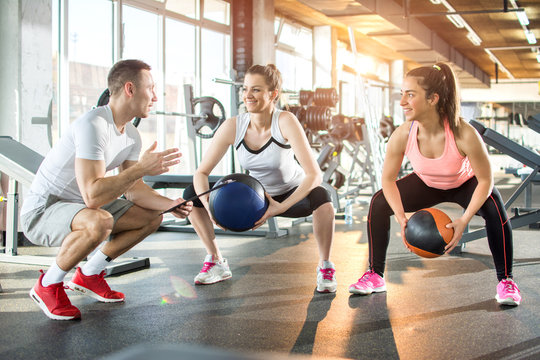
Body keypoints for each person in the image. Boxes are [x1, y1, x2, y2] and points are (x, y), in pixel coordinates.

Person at [21, 59, 193, 320]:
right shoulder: (93, 125)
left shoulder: (131, 135)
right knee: (99, 221)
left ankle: (89, 275)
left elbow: (134, 191)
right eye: (151, 88)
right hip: (44, 210)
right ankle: (47, 285)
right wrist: (141, 168)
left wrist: (169, 204)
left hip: (78, 207)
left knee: (151, 217)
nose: (156, 97)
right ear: (130, 89)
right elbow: (93, 196)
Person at [348, 62, 521, 306]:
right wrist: (401, 217)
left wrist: (464, 220)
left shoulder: (463, 133)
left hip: (464, 182)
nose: (402, 102)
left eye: (410, 95)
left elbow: (485, 179)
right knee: (378, 202)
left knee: (494, 207)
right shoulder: (403, 134)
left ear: (433, 99)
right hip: (426, 182)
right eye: (402, 94)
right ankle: (375, 275)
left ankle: (506, 281)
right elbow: (388, 179)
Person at [183, 64, 337, 293]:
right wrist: (209, 206)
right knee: (190, 194)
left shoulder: (285, 121)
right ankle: (215, 260)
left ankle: (325, 266)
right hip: (256, 196)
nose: (247, 95)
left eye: (256, 90)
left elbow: (314, 174)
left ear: (273, 94)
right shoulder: (234, 126)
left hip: (291, 195)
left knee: (323, 197)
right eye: (245, 89)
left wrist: (279, 207)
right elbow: (201, 173)